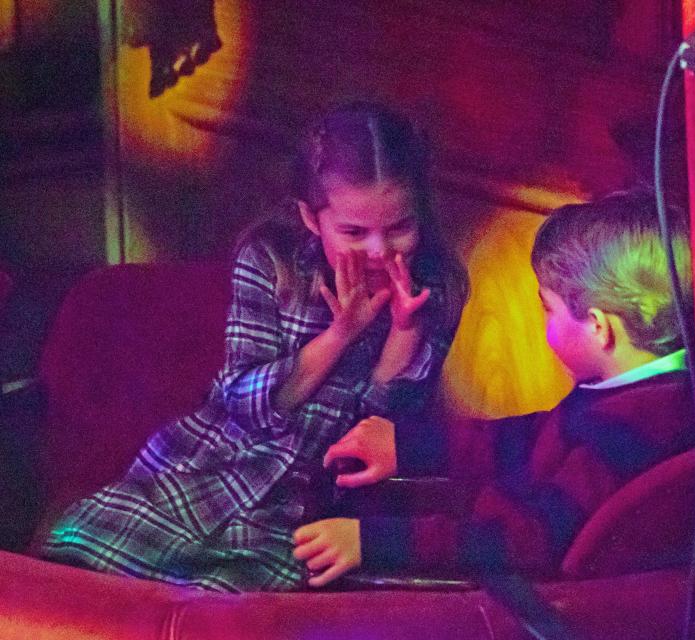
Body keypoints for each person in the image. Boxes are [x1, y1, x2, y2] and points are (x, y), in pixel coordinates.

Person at [42, 102, 469, 592]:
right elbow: (243, 404)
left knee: (224, 610)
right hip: (212, 465)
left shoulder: (439, 284)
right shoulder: (271, 258)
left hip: (309, 501)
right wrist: (340, 335)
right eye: (354, 232)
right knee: (73, 566)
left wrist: (403, 336)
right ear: (313, 217)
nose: (379, 250)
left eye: (399, 228)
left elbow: (381, 442)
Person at [292, 189, 695, 587]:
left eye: (547, 309)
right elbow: (531, 437)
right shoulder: (643, 394)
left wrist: (371, 542)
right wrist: (408, 446)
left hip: (520, 600)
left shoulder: (629, 431)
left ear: (597, 327)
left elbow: (529, 543)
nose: (545, 324)